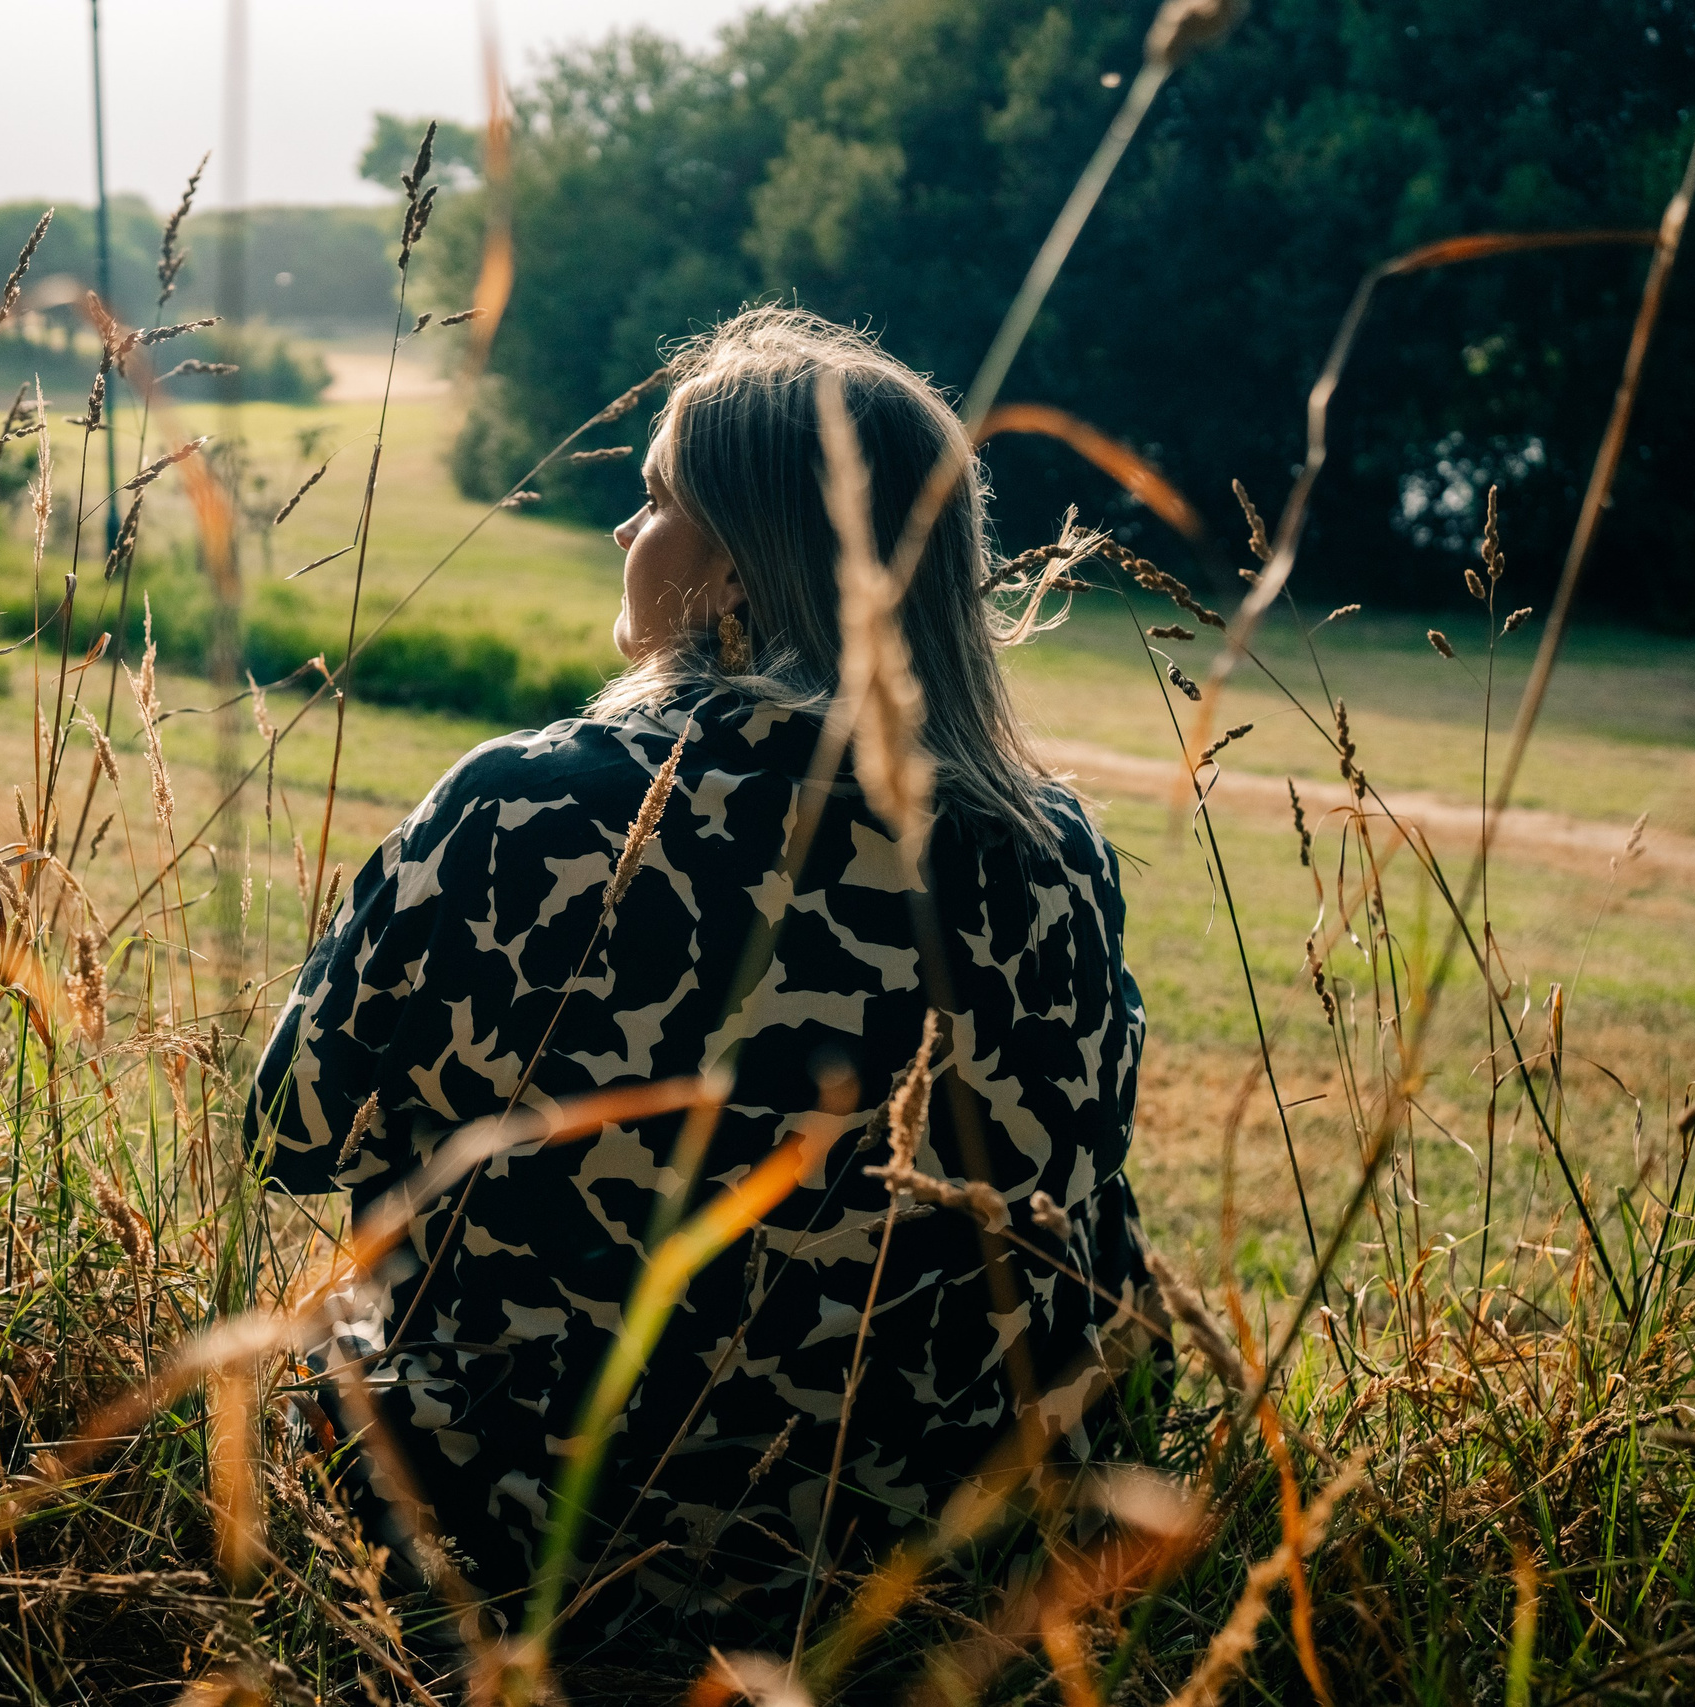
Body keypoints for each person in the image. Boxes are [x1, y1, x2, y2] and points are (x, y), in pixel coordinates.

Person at [245, 305, 1166, 1651]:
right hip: (924, 1547)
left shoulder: (520, 810)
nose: (628, 529)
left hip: (525, 1523)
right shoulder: (1046, 849)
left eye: (659, 497)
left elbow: (289, 1132)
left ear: (739, 565)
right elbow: (1081, 1175)